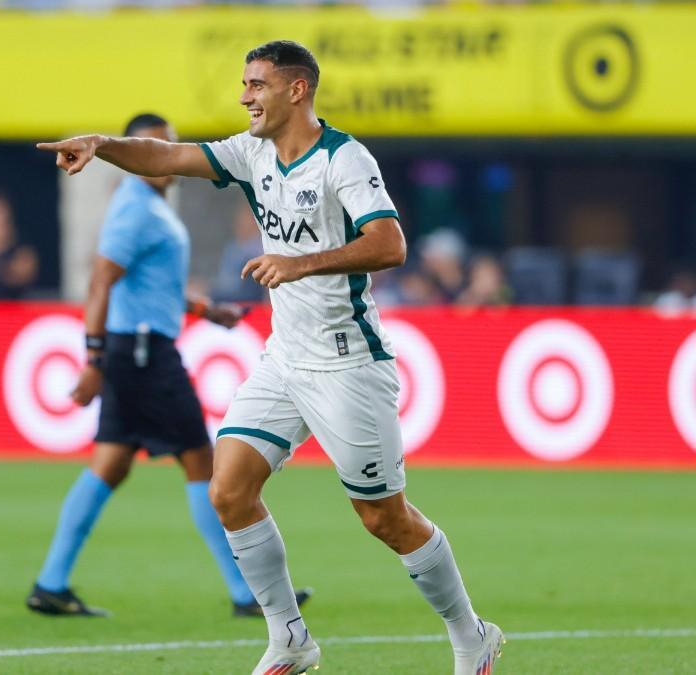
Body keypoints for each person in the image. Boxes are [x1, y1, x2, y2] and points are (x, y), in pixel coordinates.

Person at [38, 40, 503, 675]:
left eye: (256, 85)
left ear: (296, 89)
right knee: (228, 489)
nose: (244, 97)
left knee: (383, 518)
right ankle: (290, 639)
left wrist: (301, 264)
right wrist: (101, 144)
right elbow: (167, 155)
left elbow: (390, 243)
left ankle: (471, 634)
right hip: (284, 358)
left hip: (347, 364)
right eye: (244, 84)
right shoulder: (250, 152)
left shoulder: (343, 158)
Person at [28, 113, 311, 621]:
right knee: (202, 463)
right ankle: (246, 591)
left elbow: (151, 285)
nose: (166, 158)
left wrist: (205, 310)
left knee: (110, 466)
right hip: (143, 353)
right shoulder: (135, 208)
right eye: (156, 147)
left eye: (170, 146)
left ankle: (50, 583)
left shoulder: (145, 207)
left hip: (136, 348)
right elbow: (100, 281)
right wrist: (93, 360)